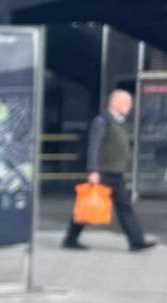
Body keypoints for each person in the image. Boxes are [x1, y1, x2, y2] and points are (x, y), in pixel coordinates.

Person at [63, 87, 155, 251]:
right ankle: (70, 239)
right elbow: (94, 146)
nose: (130, 106)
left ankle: (136, 241)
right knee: (88, 204)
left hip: (115, 173)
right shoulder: (102, 121)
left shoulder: (119, 123)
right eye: (127, 102)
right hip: (102, 172)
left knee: (123, 206)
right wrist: (93, 170)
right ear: (115, 103)